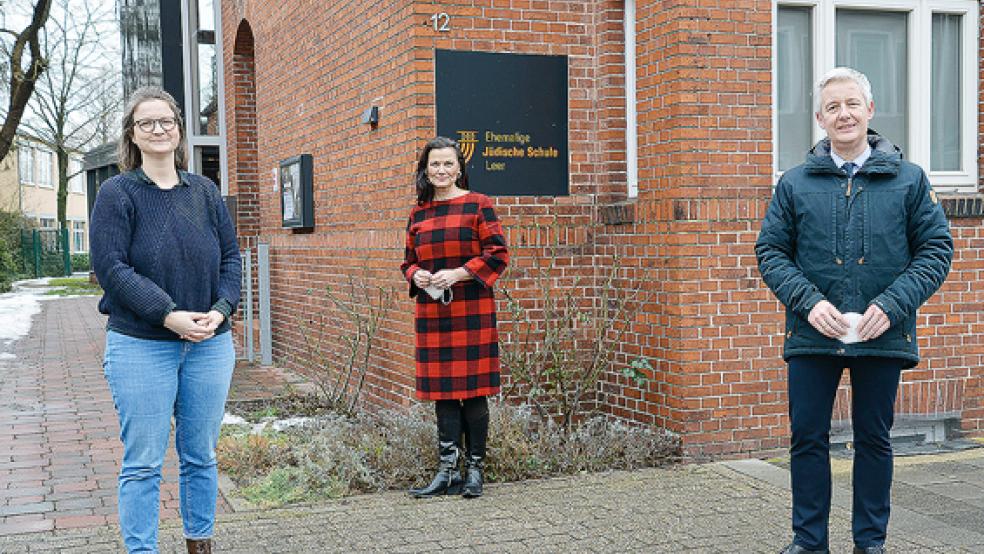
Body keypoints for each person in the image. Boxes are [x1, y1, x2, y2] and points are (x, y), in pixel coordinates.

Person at [756, 67, 952, 554]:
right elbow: (771, 252)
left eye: (852, 104)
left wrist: (892, 305)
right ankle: (809, 542)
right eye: (832, 107)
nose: (843, 114)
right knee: (807, 438)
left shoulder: (909, 181)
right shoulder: (794, 183)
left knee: (873, 439)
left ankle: (870, 543)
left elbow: (935, 251)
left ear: (870, 110)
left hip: (882, 332)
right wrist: (809, 303)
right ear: (819, 119)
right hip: (812, 333)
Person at [90, 86, 241, 554]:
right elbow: (112, 269)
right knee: (143, 464)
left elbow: (231, 259)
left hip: (209, 346)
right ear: (132, 135)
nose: (159, 129)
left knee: (201, 456)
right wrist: (168, 315)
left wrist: (220, 310)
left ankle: (200, 545)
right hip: (141, 346)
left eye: (167, 121)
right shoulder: (117, 194)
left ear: (179, 130)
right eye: (147, 123)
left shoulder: (205, 192)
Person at [400, 136, 509, 499]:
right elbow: (408, 261)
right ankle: (447, 472)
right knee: (443, 394)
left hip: (472, 311)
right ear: (425, 169)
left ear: (459, 168)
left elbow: (498, 254)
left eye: (448, 163)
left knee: (474, 393)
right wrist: (416, 274)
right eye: (435, 164)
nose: (441, 170)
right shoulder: (418, 213)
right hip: (433, 311)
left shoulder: (478, 204)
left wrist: (459, 274)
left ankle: (475, 471)